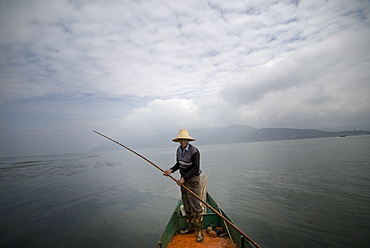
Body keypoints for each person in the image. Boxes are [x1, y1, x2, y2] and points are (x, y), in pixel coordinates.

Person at [163, 129, 204, 242]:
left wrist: (183, 178)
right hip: (183, 180)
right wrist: (170, 170)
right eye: (181, 139)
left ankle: (199, 231)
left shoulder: (194, 151)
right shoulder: (178, 150)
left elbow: (196, 168)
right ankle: (190, 228)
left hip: (192, 180)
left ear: (188, 140)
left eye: (185, 139)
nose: (183, 141)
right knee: (186, 204)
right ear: (179, 140)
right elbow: (178, 164)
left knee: (195, 204)